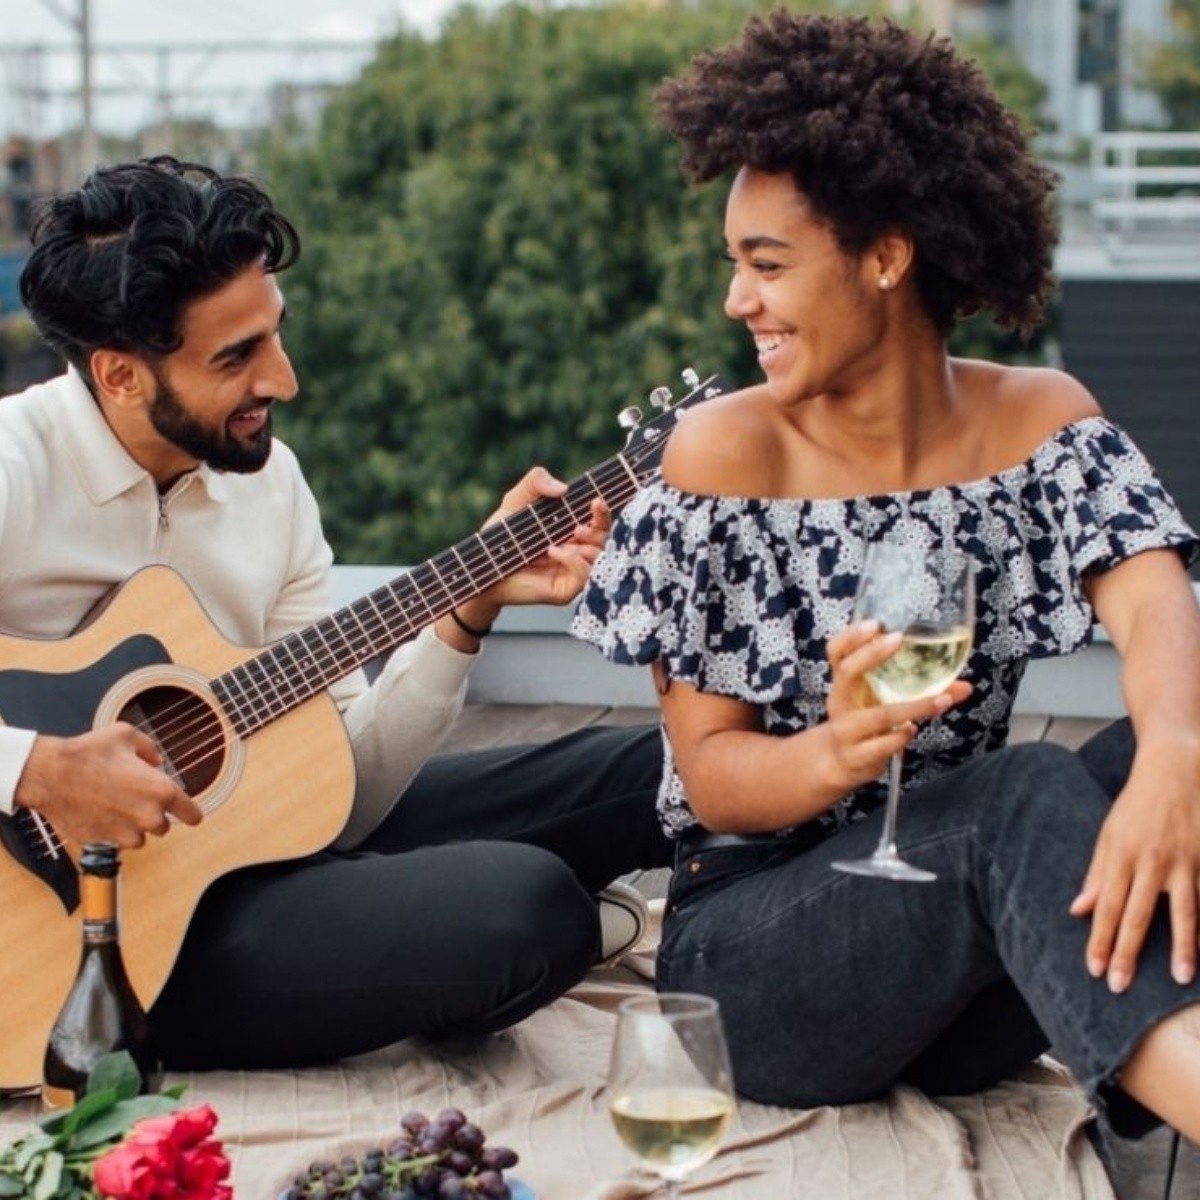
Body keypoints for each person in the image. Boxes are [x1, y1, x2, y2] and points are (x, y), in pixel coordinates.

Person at [572, 11, 1200, 1147]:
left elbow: (1154, 592)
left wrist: (1173, 755)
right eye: (736, 266)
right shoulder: (724, 457)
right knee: (1020, 797)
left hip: (964, 976)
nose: (737, 302)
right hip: (764, 970)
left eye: (766, 266)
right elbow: (711, 777)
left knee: (1167, 751)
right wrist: (835, 750)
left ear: (886, 256)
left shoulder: (1040, 421)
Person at [0, 156, 669, 1071]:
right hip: (104, 947)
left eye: (275, 334)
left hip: (259, 841)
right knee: (523, 910)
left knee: (646, 769)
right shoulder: (13, 465)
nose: (285, 380)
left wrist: (462, 614)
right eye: (236, 358)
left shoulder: (269, 485)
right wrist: (34, 767)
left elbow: (342, 787)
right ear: (119, 375)